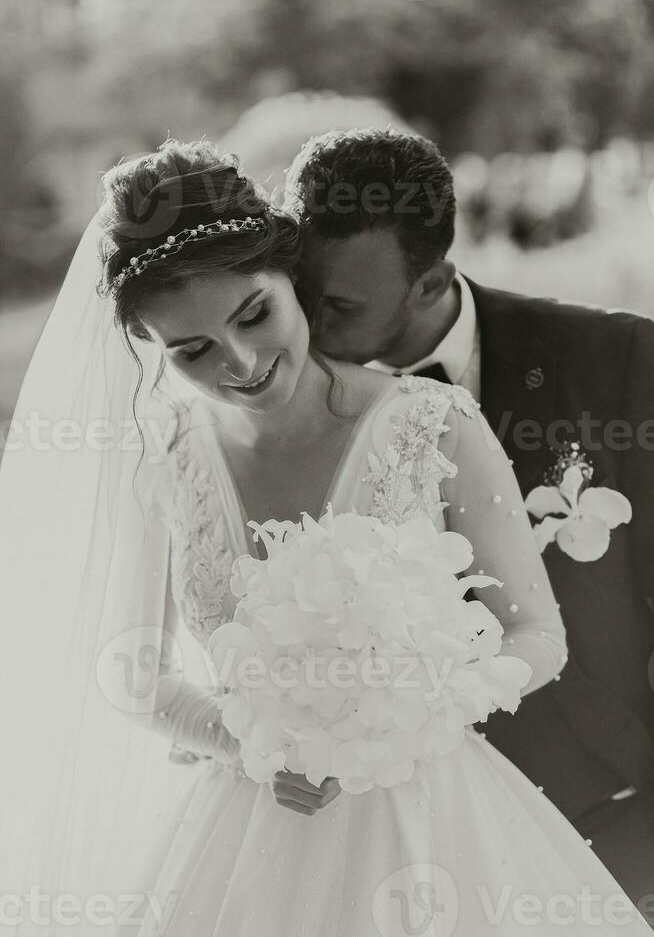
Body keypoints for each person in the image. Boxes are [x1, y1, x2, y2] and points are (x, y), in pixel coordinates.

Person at [0, 138, 650, 936]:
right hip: (247, 834)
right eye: (191, 350)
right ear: (152, 353)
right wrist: (256, 746)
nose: (239, 363)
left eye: (254, 314)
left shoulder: (430, 424)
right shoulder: (162, 461)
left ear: (293, 280)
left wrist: (407, 716)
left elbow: (537, 633)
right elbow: (136, 672)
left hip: (437, 814)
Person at [285, 126, 654, 916]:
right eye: (300, 293)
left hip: (608, 806)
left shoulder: (618, 359)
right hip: (379, 834)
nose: (306, 328)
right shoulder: (281, 407)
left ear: (432, 280)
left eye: (339, 306)